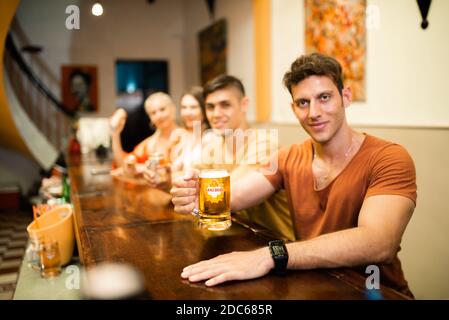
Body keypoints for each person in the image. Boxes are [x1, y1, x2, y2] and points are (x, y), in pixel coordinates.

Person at [171, 53, 417, 298]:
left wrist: (271, 255)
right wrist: (196, 198)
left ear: (346, 96)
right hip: (314, 287)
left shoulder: (389, 157)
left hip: (377, 292)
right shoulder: (288, 158)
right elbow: (235, 196)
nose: (314, 112)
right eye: (302, 103)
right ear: (293, 108)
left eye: (324, 98)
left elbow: (378, 242)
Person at [171, 75, 295, 241]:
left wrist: (189, 191)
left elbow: (226, 193)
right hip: (239, 238)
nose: (216, 114)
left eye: (225, 105)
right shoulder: (215, 146)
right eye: (210, 107)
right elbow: (187, 177)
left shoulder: (265, 144)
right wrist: (180, 185)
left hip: (276, 244)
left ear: (244, 105)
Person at [110, 92, 184, 172]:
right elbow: (123, 165)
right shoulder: (148, 145)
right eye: (153, 113)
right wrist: (115, 134)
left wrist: (145, 168)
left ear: (173, 109)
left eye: (162, 109)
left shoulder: (187, 137)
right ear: (150, 118)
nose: (159, 116)